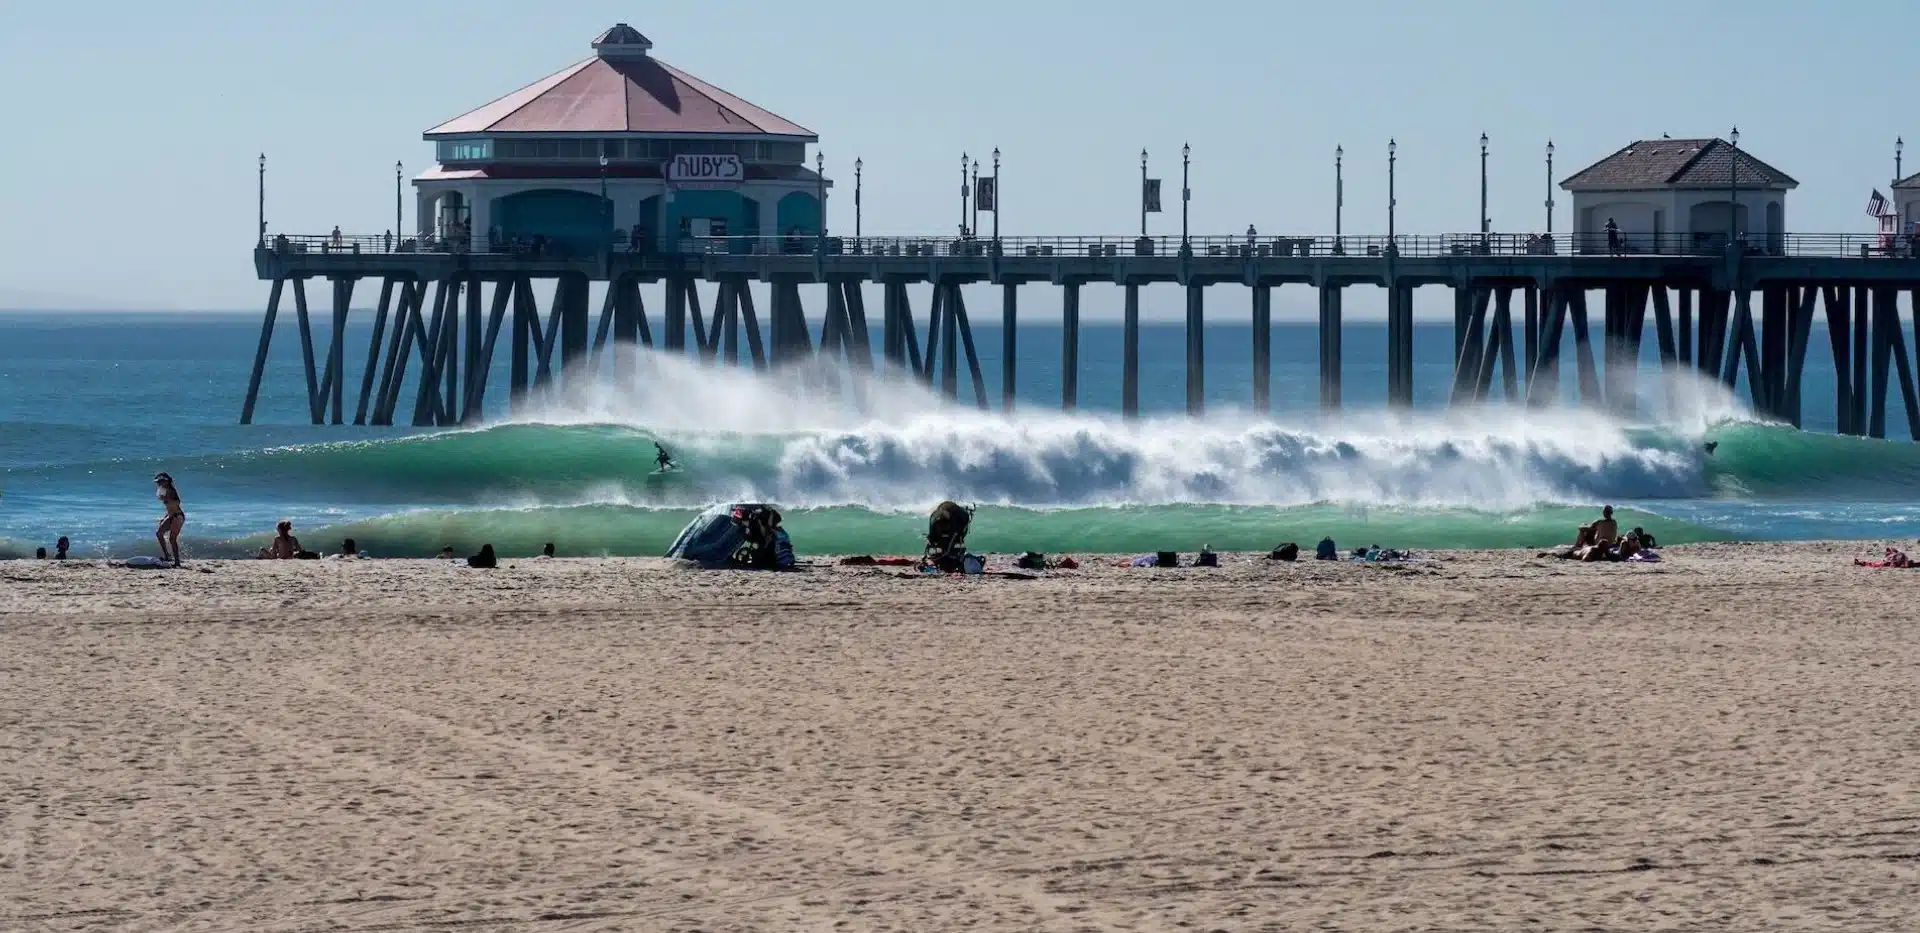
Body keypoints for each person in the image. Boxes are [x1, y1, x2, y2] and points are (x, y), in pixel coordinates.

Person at [154, 472, 185, 566]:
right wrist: (166, 517)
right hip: (171, 515)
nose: (158, 483)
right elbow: (169, 507)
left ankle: (177, 562)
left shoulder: (171, 490)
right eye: (158, 482)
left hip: (177, 516)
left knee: (172, 539)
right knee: (159, 533)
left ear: (166, 481)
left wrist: (168, 500)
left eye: (160, 481)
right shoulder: (163, 490)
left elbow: (177, 503)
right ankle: (167, 555)